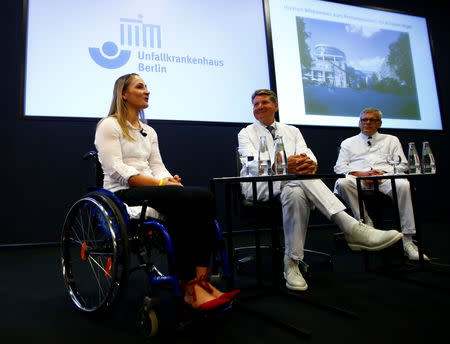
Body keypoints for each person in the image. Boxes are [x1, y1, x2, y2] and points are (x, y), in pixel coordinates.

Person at [94, 73, 238, 312]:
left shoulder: (149, 131)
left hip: (152, 187)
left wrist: (168, 180)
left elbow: (158, 166)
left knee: (203, 197)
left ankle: (200, 281)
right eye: (140, 87)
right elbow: (116, 169)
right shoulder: (109, 124)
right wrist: (160, 185)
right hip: (123, 192)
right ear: (124, 94)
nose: (147, 91)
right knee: (184, 200)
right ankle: (189, 285)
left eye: (146, 87)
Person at [238, 89, 403, 292]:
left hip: (292, 185)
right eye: (256, 104)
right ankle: (351, 227)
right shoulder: (246, 133)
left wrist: (307, 165)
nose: (260, 107)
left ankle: (291, 263)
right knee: (298, 180)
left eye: (264, 102)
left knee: (295, 191)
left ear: (276, 106)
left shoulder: (292, 130)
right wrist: (284, 165)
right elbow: (251, 163)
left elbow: (308, 155)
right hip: (262, 185)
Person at [334, 107, 429, 261]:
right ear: (359, 123)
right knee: (342, 182)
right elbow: (339, 167)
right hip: (359, 179)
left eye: (372, 120)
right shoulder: (348, 143)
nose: (368, 123)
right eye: (364, 120)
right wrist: (362, 174)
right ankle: (366, 226)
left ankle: (408, 240)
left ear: (379, 123)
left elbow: (402, 165)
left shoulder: (391, 140)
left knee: (404, 185)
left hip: (385, 178)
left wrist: (381, 174)